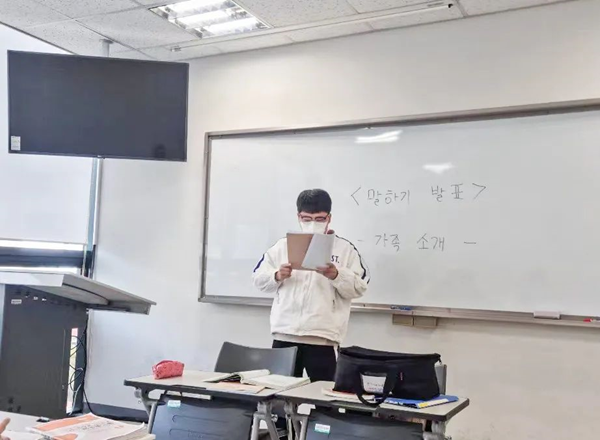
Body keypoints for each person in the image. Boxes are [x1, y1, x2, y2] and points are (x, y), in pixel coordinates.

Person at [253, 189, 369, 381]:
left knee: (324, 394)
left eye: (319, 219)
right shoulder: (282, 246)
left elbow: (360, 286)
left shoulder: (345, 249)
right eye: (307, 219)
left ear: (329, 218)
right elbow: (258, 279)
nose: (313, 223)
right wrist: (277, 275)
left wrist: (337, 275)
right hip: (285, 333)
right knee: (279, 392)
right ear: (299, 216)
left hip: (323, 336)